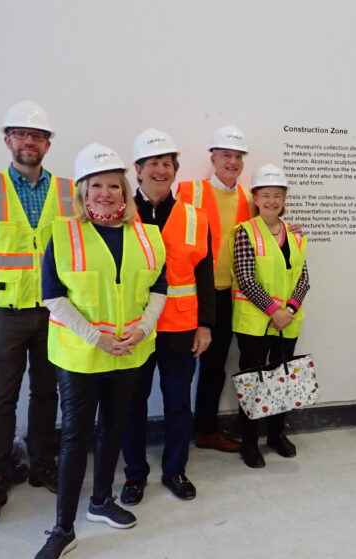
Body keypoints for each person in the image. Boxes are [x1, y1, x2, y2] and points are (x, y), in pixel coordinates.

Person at [32, 144, 167, 559]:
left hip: (130, 351)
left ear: (126, 191)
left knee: (114, 427)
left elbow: (159, 290)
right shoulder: (64, 233)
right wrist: (97, 337)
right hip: (80, 355)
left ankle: (101, 501)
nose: (106, 193)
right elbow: (52, 297)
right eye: (97, 186)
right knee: (74, 437)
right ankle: (63, 529)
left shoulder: (148, 235)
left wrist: (143, 329)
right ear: (84, 193)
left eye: (114, 185)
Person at [0, 101, 75, 526]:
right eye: (21, 134)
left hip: (54, 310)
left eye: (38, 135)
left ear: (48, 143)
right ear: (7, 139)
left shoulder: (67, 191)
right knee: (1, 396)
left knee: (48, 391)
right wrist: (3, 284)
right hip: (6, 312)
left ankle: (43, 461)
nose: (29, 141)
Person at [120, 129, 215, 506]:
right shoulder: (122, 214)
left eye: (167, 164)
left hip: (180, 327)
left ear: (174, 170)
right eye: (153, 164)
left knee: (178, 404)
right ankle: (134, 475)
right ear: (137, 170)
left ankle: (176, 470)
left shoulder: (195, 216)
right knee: (132, 405)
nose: (161, 170)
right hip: (135, 328)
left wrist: (205, 323)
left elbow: (204, 273)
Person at [230, 164, 310, 468]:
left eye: (277, 195)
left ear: (284, 198)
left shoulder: (295, 235)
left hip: (287, 322)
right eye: (266, 195)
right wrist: (274, 311)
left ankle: (277, 435)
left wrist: (288, 310)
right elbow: (246, 278)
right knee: (253, 383)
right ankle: (249, 443)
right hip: (255, 323)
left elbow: (304, 279)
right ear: (255, 198)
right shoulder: (244, 233)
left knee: (282, 381)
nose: (272, 201)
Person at [181, 125, 251, 453]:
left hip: (227, 295)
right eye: (226, 155)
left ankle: (206, 430)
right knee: (178, 366)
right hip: (189, 292)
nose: (232, 162)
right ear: (213, 157)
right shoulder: (188, 191)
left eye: (238, 156)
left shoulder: (248, 198)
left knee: (214, 365)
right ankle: (178, 433)